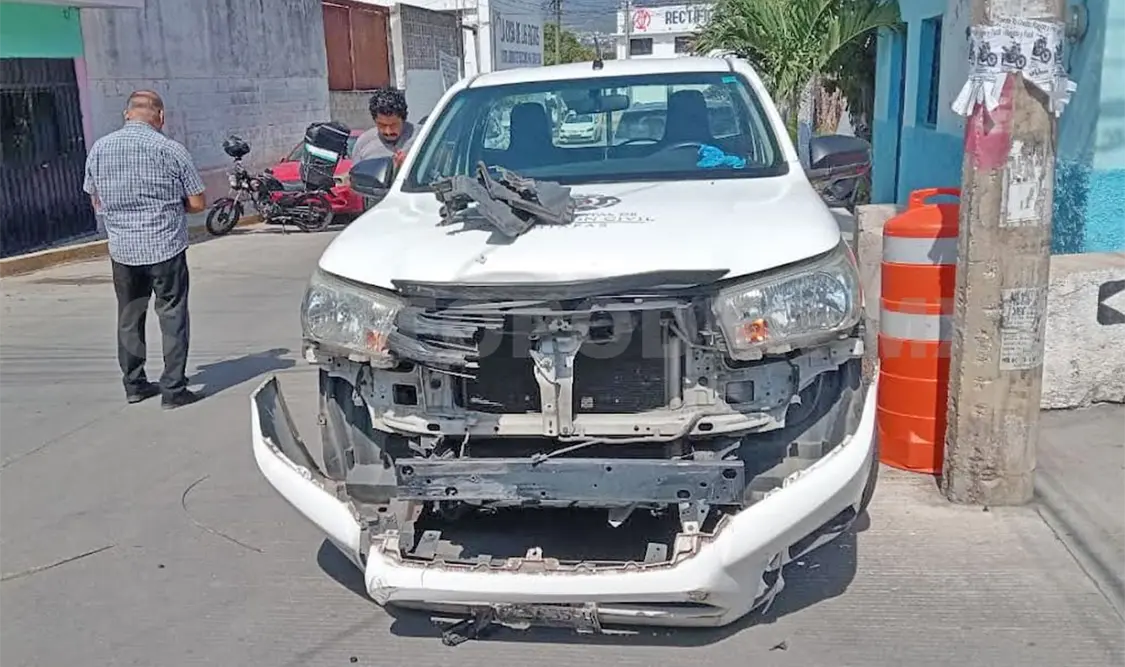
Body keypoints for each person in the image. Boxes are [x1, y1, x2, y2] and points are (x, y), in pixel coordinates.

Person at [83, 90, 206, 409]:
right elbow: (197, 203)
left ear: (127, 114)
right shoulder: (171, 149)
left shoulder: (99, 149)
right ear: (160, 116)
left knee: (129, 315)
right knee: (173, 314)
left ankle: (135, 385)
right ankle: (173, 389)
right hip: (165, 248)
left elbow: (95, 199)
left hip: (123, 251)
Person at [352, 87, 415, 168]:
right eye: (382, 125)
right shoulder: (363, 143)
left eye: (393, 125)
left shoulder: (422, 138)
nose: (388, 131)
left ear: (403, 119)